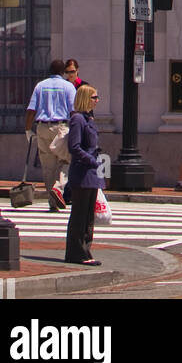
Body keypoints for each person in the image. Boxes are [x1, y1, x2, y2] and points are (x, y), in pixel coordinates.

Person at [24, 59, 76, 210]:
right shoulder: (68, 87)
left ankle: (52, 202)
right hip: (61, 127)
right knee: (66, 160)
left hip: (42, 127)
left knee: (47, 166)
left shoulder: (40, 86)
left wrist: (28, 129)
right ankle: (58, 188)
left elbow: (31, 110)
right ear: (63, 72)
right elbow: (73, 110)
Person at [64, 84, 105, 265]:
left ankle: (86, 250)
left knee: (89, 215)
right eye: (94, 97)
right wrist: (91, 160)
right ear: (86, 99)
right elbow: (74, 147)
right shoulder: (77, 119)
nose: (97, 101)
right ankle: (76, 253)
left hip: (93, 172)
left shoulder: (89, 119)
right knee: (79, 215)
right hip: (82, 173)